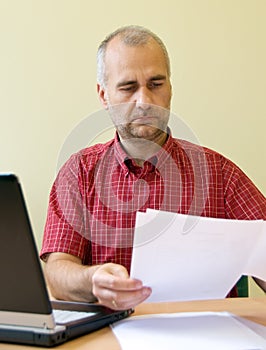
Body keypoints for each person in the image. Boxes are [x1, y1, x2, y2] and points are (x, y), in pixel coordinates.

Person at [40, 25, 266, 311]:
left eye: (156, 84)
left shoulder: (221, 174)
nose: (144, 101)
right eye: (128, 87)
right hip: (111, 336)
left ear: (170, 89)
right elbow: (58, 273)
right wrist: (91, 278)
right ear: (103, 95)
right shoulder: (79, 173)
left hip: (207, 335)